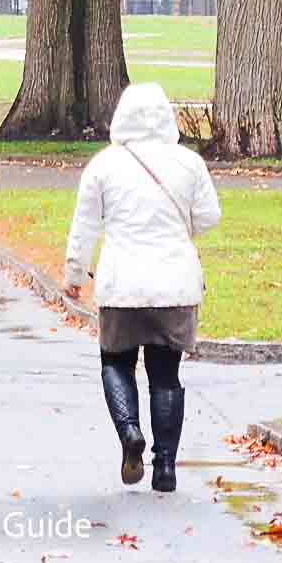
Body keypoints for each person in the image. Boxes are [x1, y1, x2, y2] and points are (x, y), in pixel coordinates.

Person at [63, 82, 221, 494]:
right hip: (174, 287)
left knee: (115, 362)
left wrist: (74, 275)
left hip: (122, 286)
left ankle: (130, 431)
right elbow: (209, 217)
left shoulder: (104, 165)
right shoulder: (189, 163)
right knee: (166, 375)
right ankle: (164, 465)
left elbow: (85, 226)